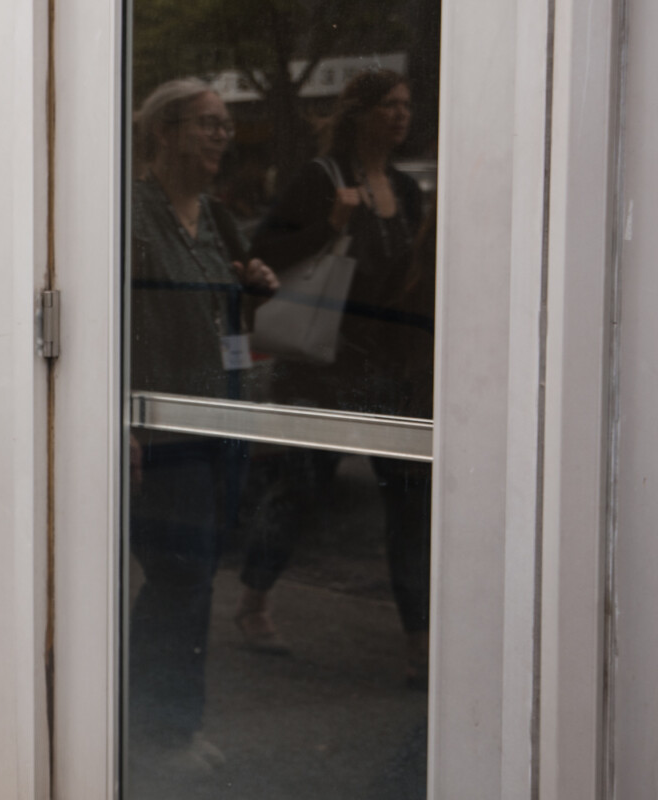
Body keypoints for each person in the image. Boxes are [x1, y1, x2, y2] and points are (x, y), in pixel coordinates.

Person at [246, 69, 433, 686]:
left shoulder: (406, 190)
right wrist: (329, 223)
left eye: (407, 105)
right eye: (390, 105)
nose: (402, 115)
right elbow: (264, 259)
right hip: (324, 371)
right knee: (300, 493)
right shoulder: (321, 178)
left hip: (391, 374)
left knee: (410, 505)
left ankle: (419, 643)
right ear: (359, 113)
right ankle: (252, 601)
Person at [121, 77, 279, 775]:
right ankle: (163, 731)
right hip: (162, 428)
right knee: (179, 577)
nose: (222, 137)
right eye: (207, 124)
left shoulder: (213, 215)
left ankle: (163, 723)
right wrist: (117, 417)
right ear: (164, 132)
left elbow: (225, 305)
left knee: (198, 575)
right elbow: (109, 322)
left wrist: (252, 287)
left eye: (224, 126)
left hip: (220, 419)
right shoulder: (130, 210)